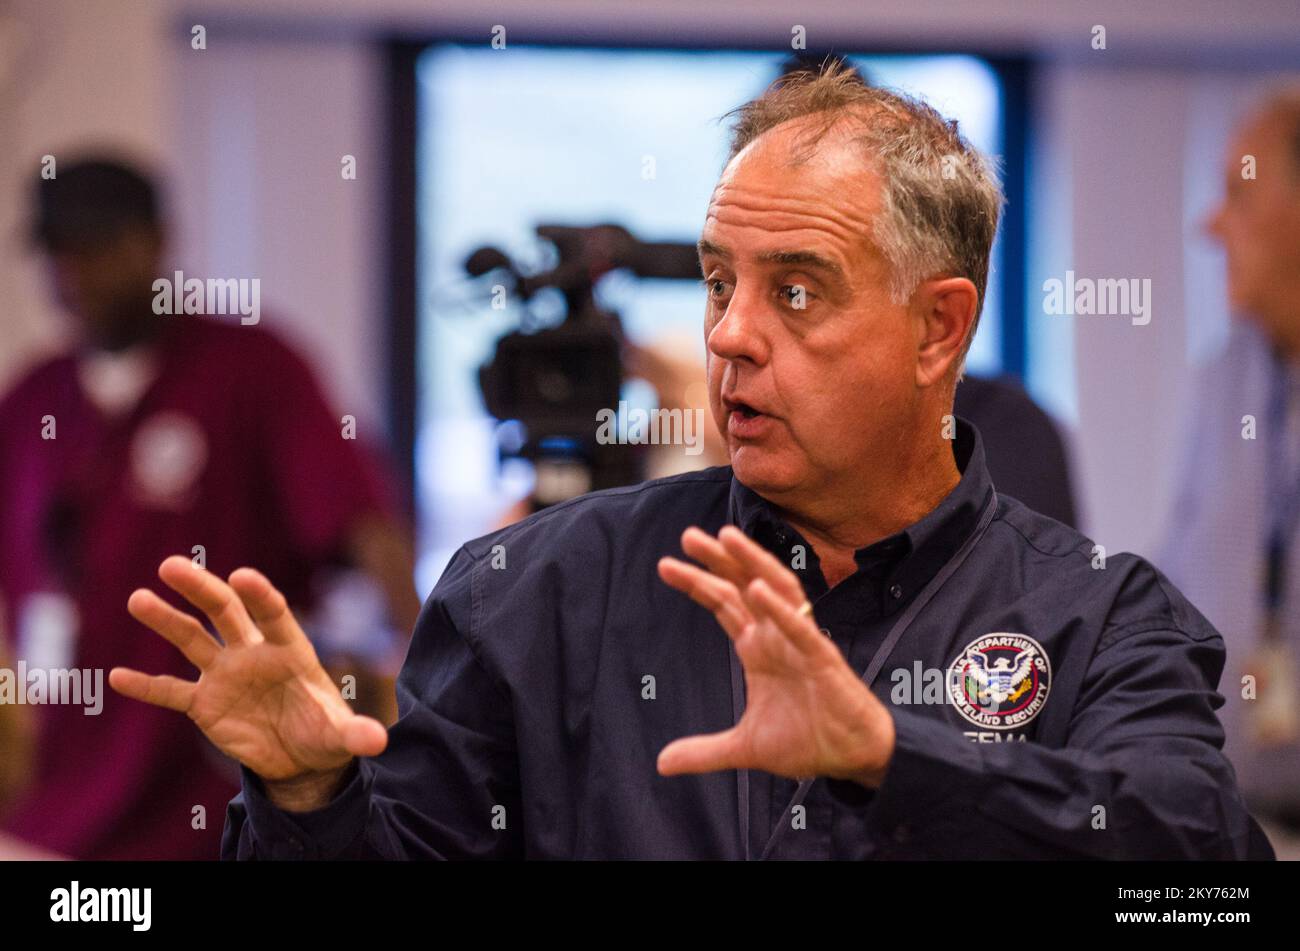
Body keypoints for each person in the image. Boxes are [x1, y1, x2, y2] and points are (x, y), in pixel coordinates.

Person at [116, 64, 1270, 859]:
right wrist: (310, 797)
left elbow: (1192, 867)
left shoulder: (1102, 616)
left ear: (938, 329)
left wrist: (890, 758)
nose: (726, 334)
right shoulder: (529, 594)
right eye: (720, 281)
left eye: (796, 291)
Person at [0, 157, 420, 859]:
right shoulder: (33, 400)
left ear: (158, 242)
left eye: (99, 249)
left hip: (206, 799)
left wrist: (422, 676)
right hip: (54, 807)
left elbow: (363, 522)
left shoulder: (252, 369)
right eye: (60, 254)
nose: (78, 276)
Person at [1159, 86, 1300, 858]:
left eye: (1240, 193)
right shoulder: (1226, 383)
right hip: (1244, 826)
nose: (1210, 225)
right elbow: (1175, 588)